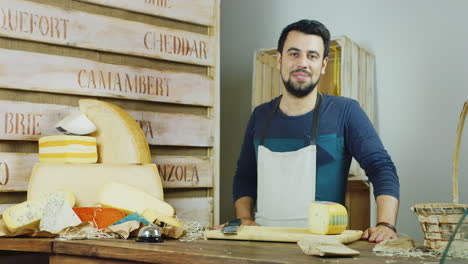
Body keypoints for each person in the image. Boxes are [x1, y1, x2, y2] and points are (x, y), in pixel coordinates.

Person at [229, 19, 399, 243]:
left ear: (324, 64)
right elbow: (245, 176)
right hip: (264, 243)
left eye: (312, 56)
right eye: (294, 54)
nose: (303, 63)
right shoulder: (260, 115)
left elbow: (381, 168)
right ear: (279, 60)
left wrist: (385, 224)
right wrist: (243, 218)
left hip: (323, 246)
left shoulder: (345, 111)